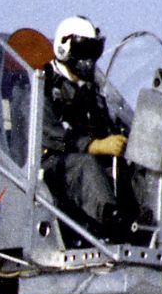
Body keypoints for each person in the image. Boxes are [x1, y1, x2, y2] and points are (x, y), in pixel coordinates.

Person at [40, 16, 152, 243]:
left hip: (88, 162)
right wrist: (95, 146)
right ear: (64, 48)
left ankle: (149, 219)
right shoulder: (43, 84)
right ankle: (112, 219)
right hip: (53, 166)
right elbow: (50, 136)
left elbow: (106, 126)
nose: (89, 61)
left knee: (138, 161)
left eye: (94, 52)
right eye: (84, 51)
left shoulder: (93, 93)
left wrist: (123, 142)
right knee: (84, 163)